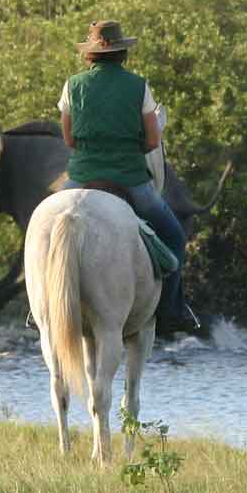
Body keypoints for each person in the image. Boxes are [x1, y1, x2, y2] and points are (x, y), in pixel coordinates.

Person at [58, 20, 204, 337]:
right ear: (122, 52)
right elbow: (152, 141)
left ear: (91, 53)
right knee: (175, 237)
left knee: (44, 231)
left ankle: (37, 308)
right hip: (130, 179)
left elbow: (69, 139)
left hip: (82, 177)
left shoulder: (73, 86)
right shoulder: (139, 87)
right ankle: (172, 311)